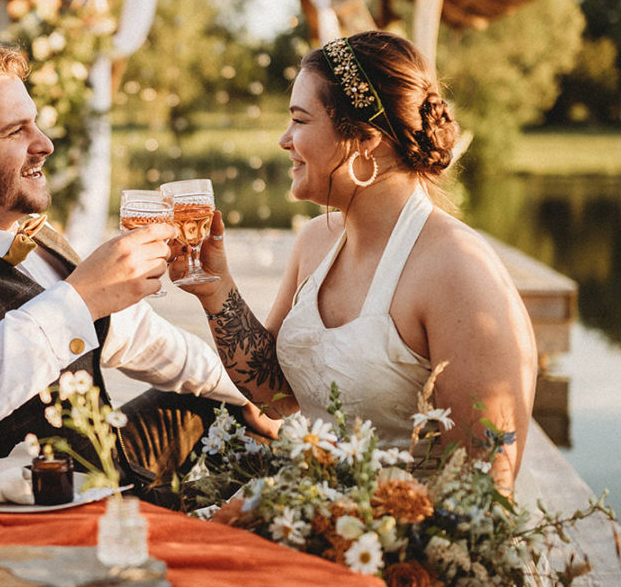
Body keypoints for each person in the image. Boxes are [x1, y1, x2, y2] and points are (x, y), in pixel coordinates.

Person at [0, 40, 263, 492]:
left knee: (221, 404)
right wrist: (81, 298)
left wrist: (253, 397)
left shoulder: (40, 243)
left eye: (36, 124)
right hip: (42, 516)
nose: (45, 144)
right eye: (16, 132)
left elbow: (151, 344)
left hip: (104, 466)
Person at [174, 31, 536, 491]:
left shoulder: (457, 271)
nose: (284, 140)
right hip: (302, 511)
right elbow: (277, 397)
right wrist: (214, 285)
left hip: (398, 546)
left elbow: (484, 488)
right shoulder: (315, 242)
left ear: (365, 140)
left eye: (300, 121)